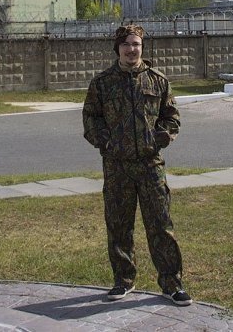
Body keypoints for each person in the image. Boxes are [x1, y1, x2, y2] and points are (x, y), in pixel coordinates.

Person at [82, 24, 192, 306]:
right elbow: (91, 118)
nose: (132, 49)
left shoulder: (157, 81)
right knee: (119, 226)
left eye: (137, 44)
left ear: (142, 47)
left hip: (150, 164)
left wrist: (163, 135)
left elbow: (172, 115)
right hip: (117, 166)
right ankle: (123, 280)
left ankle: (172, 283)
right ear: (118, 48)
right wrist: (106, 143)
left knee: (161, 225)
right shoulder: (103, 83)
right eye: (127, 44)